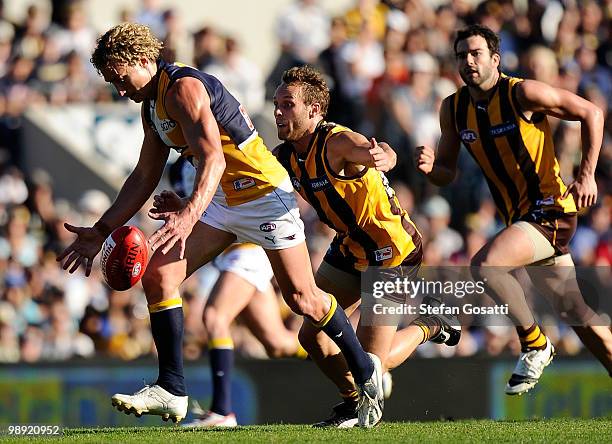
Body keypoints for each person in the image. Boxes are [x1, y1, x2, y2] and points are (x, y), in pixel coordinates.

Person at [56, 23, 383, 426]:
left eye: (120, 78)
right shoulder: (152, 107)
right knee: (158, 274)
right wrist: (101, 230)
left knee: (303, 300)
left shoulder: (183, 89)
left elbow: (214, 158)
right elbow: (143, 175)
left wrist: (189, 213)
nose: (119, 89)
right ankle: (173, 388)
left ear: (143, 60)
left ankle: (366, 372)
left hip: (264, 194)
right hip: (226, 199)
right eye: (111, 82)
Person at [415, 24, 612, 395]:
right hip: (520, 220)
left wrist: (587, 176)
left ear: (495, 58)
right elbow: (446, 172)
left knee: (486, 265)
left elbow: (593, 114)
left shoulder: (522, 92)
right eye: (461, 55)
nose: (468, 61)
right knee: (583, 322)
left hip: (551, 209)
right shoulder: (454, 108)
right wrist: (430, 169)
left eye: (475, 54)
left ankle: (536, 343)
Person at [272, 65, 460, 427]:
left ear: (314, 110)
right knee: (311, 336)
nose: (279, 111)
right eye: (277, 103)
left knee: (373, 361)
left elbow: (373, 148)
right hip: (350, 247)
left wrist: (387, 156)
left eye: (288, 104)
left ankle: (431, 324)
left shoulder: (336, 142)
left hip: (392, 249)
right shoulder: (285, 155)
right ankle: (352, 403)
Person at [168, 156, 306, 428]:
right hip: (230, 255)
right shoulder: (178, 167)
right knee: (278, 344)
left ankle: (222, 411)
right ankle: (350, 358)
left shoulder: (217, 153)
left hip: (247, 248)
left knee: (214, 317)